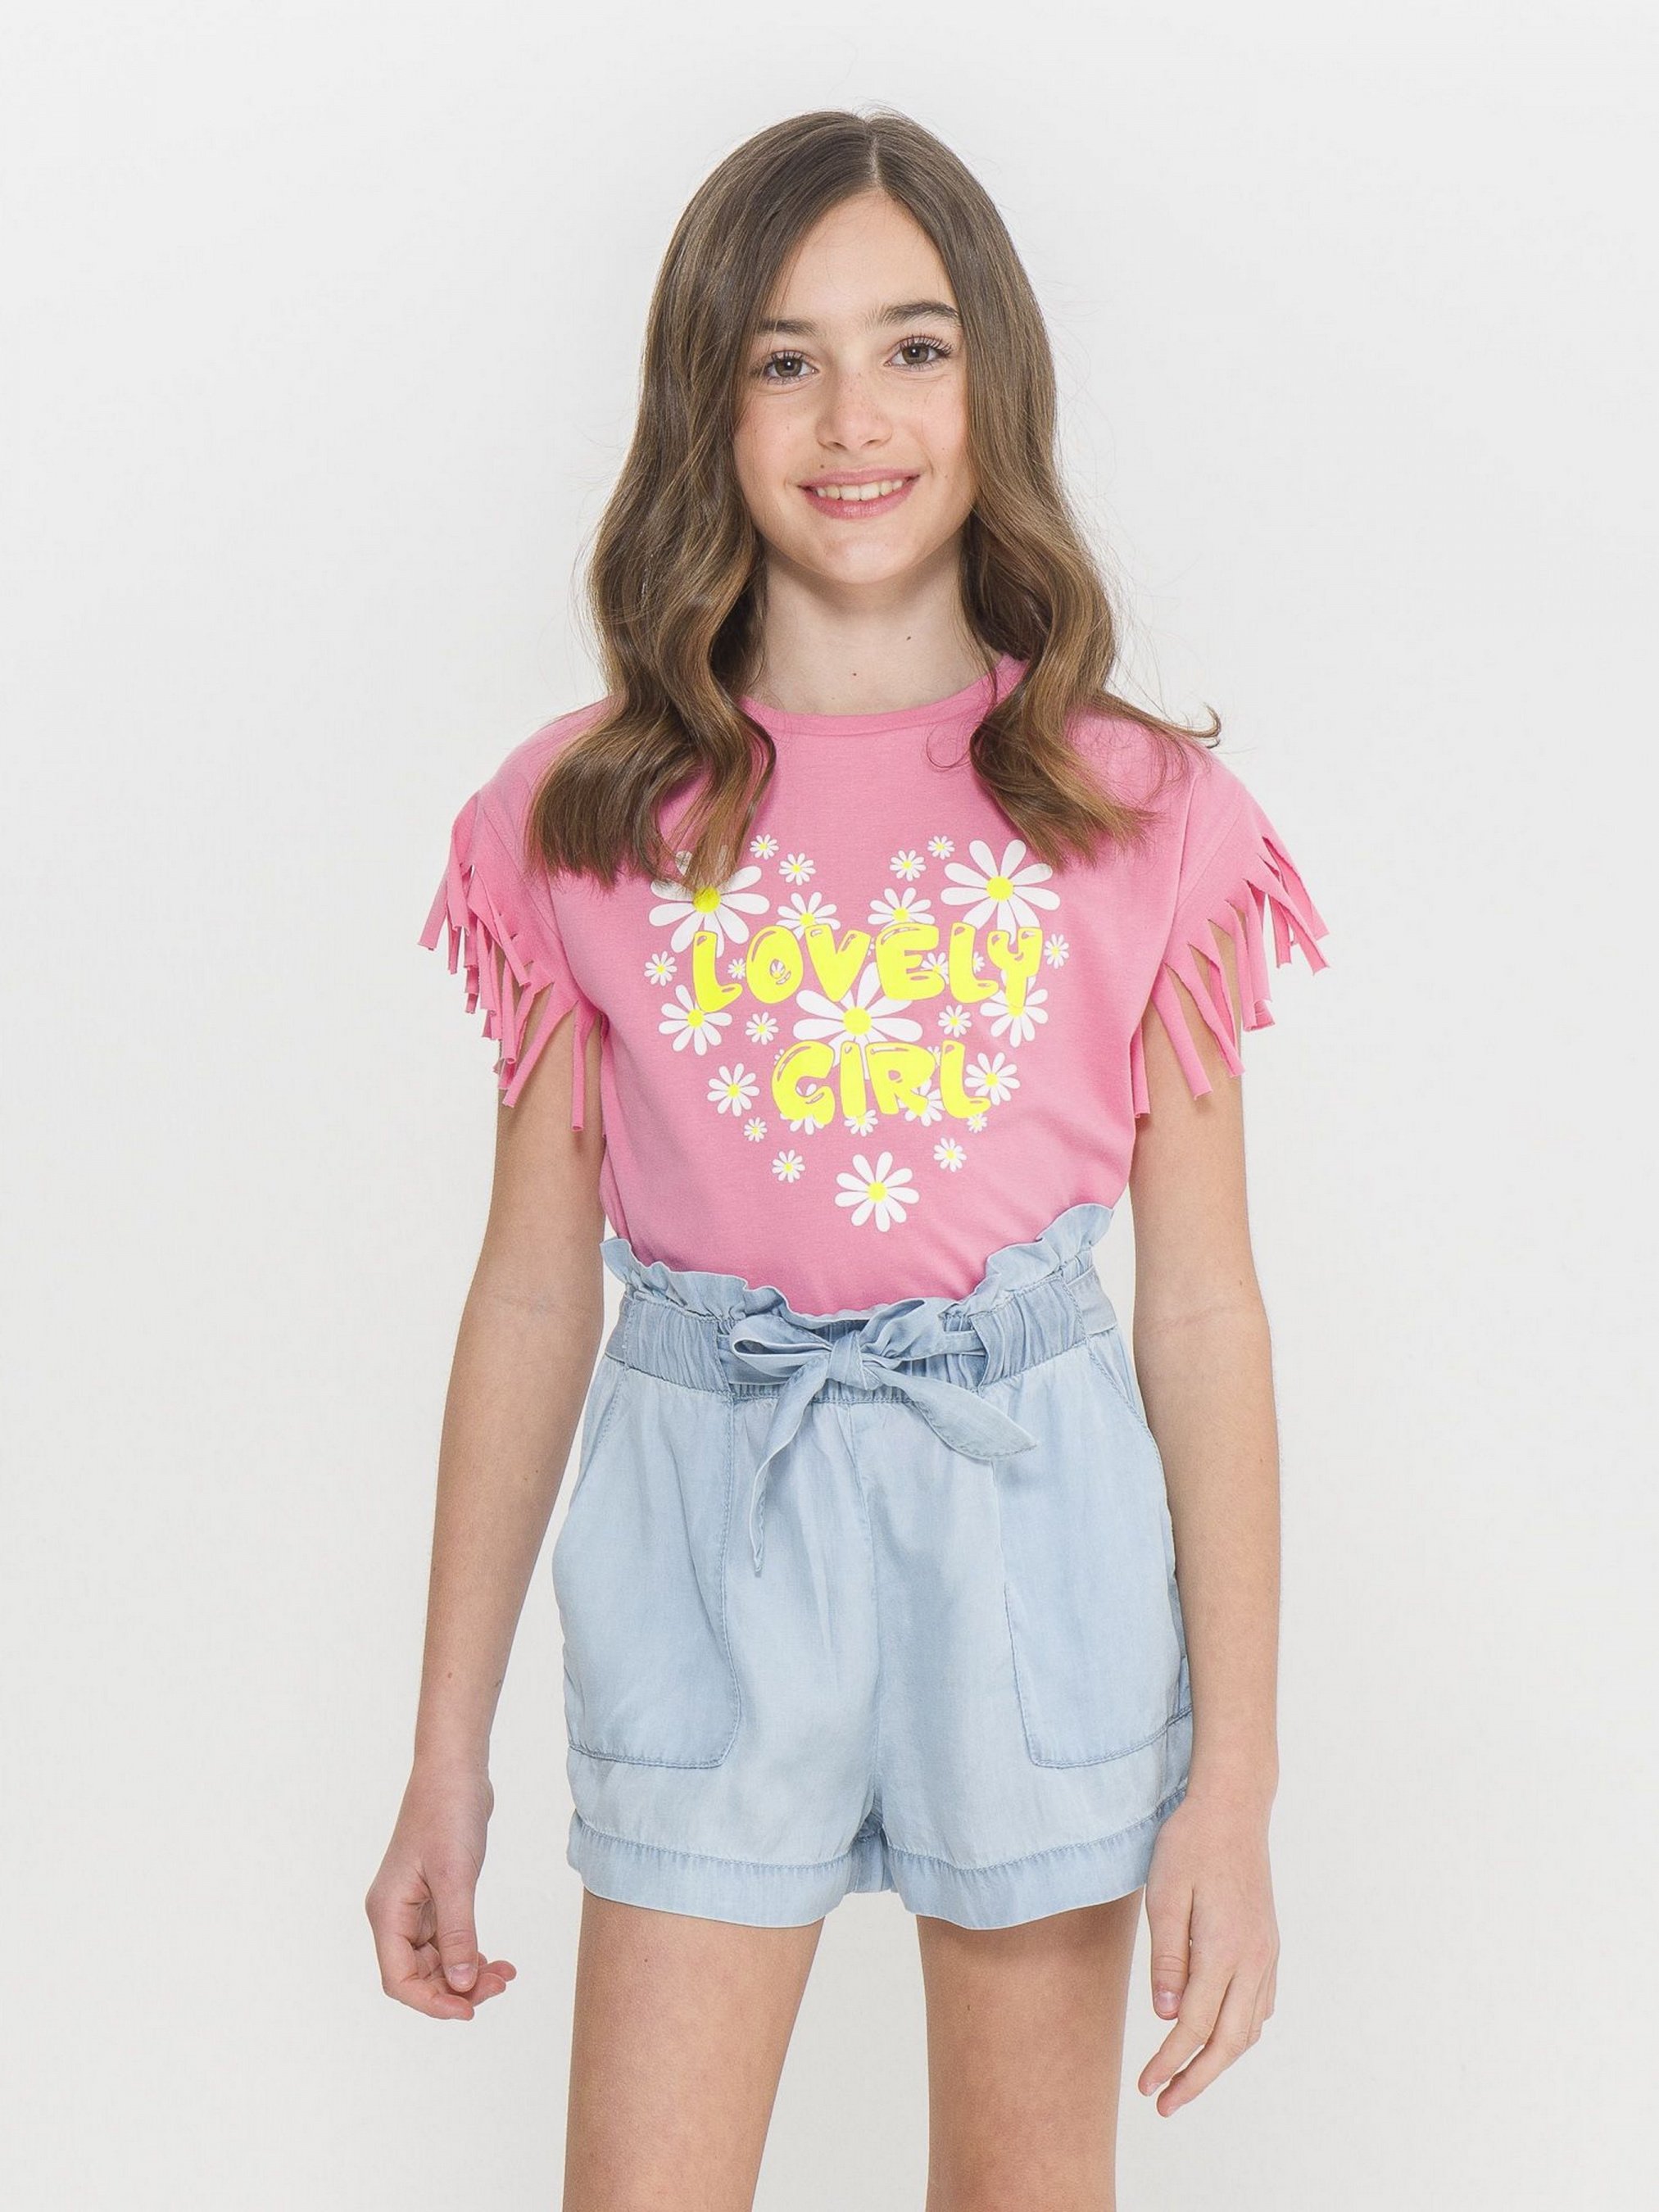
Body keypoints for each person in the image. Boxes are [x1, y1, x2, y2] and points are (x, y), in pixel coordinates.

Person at [366, 106, 1330, 2209]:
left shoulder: (1138, 815)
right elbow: (529, 1294)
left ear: (994, 381)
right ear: (703, 407)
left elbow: (1198, 1306)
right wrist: (446, 1752)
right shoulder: (580, 821)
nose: (850, 417)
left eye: (910, 347)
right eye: (781, 359)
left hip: (1032, 1524)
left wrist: (1234, 1786)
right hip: (705, 1527)